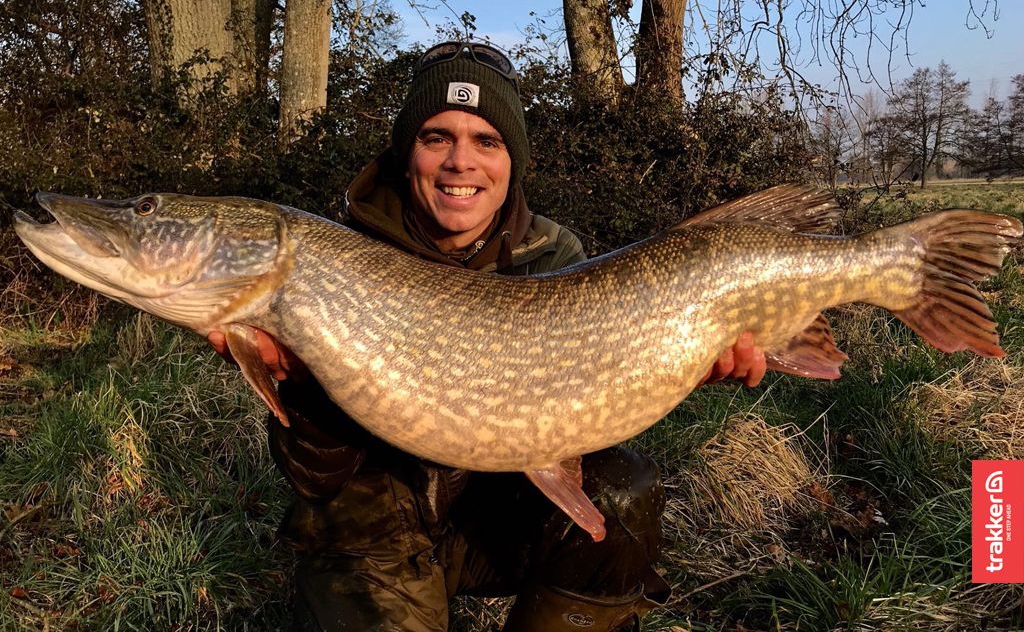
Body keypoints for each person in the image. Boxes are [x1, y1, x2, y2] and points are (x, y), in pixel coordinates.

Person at [210, 41, 766, 631]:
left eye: (487, 141)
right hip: (371, 532)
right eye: (436, 138)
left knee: (622, 494)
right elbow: (313, 477)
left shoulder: (554, 257)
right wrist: (302, 386)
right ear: (406, 155)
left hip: (496, 521)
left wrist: (683, 354)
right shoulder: (337, 255)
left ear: (512, 161)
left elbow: (589, 413)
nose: (460, 161)